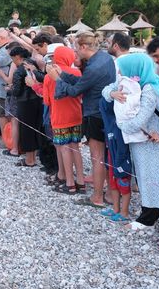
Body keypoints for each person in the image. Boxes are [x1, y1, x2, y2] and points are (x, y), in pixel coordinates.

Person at [103, 53, 159, 230]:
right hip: (142, 141)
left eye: (123, 68)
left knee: (156, 176)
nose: (120, 71)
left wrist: (122, 125)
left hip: (153, 142)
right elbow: (105, 91)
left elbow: (141, 119)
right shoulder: (135, 84)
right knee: (145, 176)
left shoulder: (150, 88)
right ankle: (151, 212)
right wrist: (113, 93)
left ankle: (153, 216)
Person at [48, 31, 116, 208]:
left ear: (84, 47)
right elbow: (82, 81)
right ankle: (108, 193)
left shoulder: (93, 67)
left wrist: (57, 79)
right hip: (106, 111)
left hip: (95, 113)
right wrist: (63, 74)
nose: (75, 52)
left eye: (77, 48)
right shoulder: (105, 58)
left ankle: (97, 197)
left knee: (97, 157)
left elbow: (75, 91)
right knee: (105, 156)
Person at [43, 46, 85, 194]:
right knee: (76, 148)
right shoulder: (76, 72)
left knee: (65, 149)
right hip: (76, 115)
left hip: (60, 117)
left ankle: (70, 182)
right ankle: (81, 181)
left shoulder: (50, 75)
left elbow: (47, 101)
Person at [9, 47, 43, 167]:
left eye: (12, 58)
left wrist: (9, 90)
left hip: (25, 101)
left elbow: (17, 91)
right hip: (38, 99)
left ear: (17, 57)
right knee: (35, 128)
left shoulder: (19, 71)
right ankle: (33, 157)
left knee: (26, 130)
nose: (13, 61)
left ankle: (29, 160)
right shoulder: (33, 64)